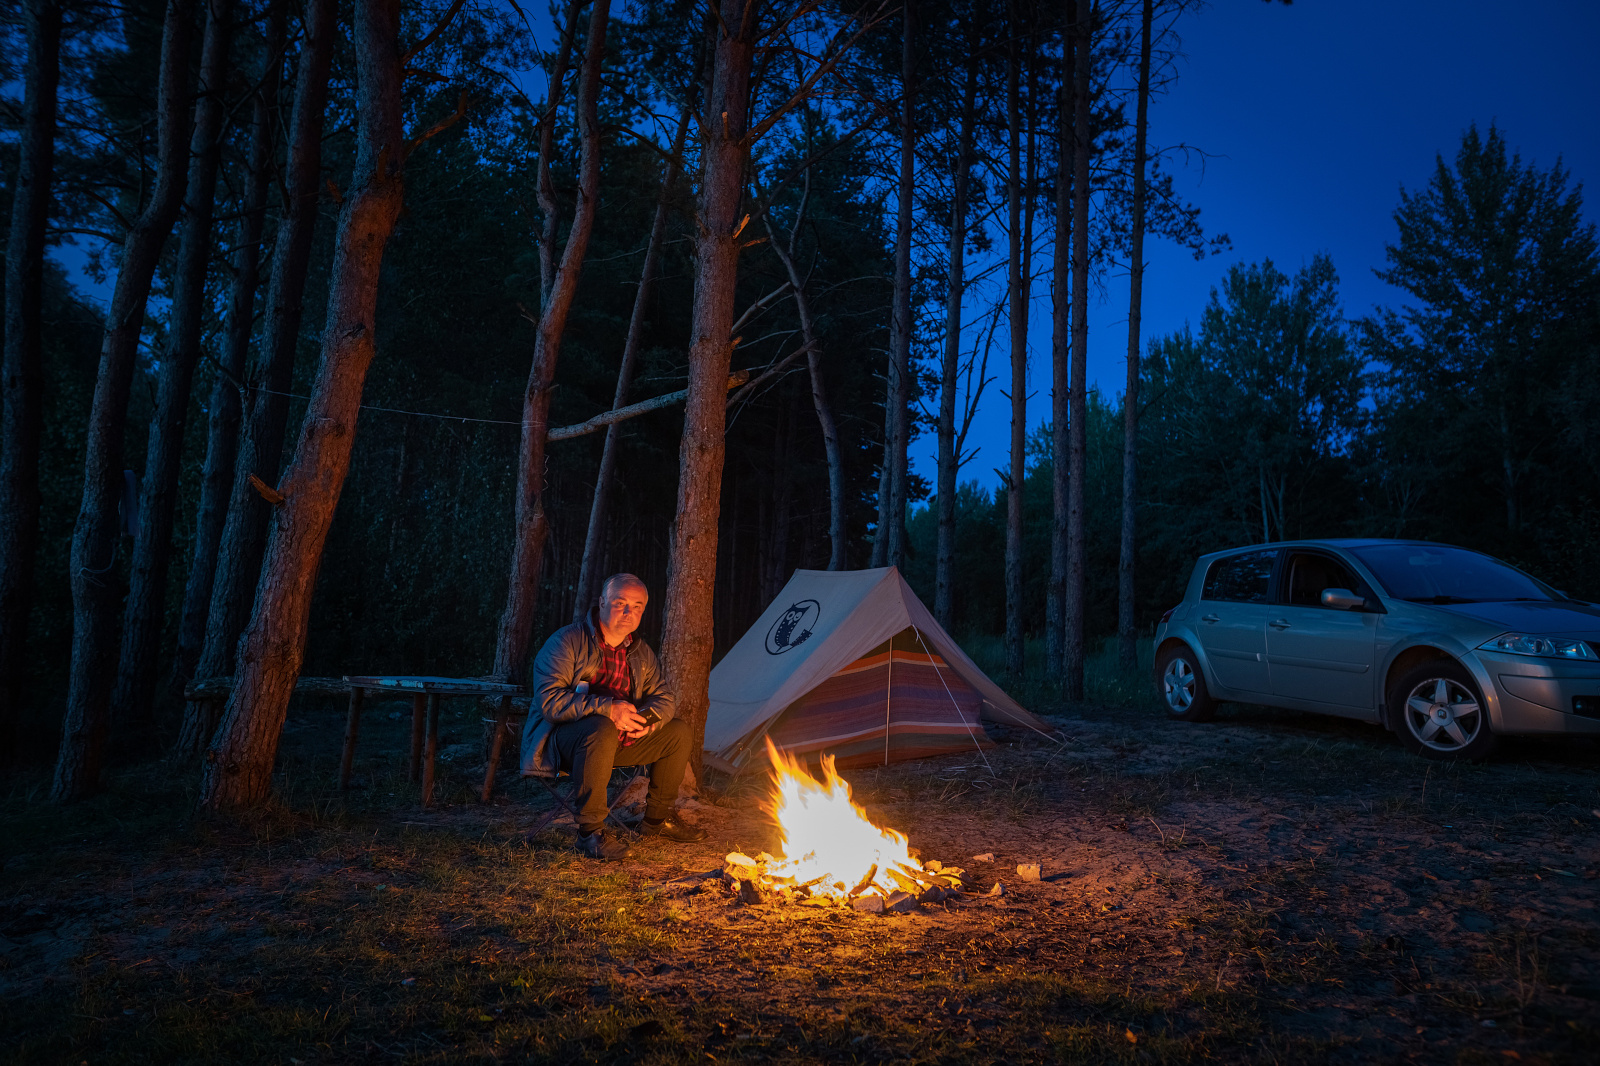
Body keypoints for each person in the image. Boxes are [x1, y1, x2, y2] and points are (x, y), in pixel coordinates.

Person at [521, 573, 706, 859]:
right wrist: (608, 708)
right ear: (602, 603)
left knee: (678, 732)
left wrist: (647, 720)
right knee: (601, 727)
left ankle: (656, 822)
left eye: (637, 606)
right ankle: (590, 833)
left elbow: (664, 697)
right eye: (620, 603)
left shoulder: (640, 652)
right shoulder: (567, 641)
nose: (628, 612)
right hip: (565, 744)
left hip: (616, 743)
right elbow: (549, 702)